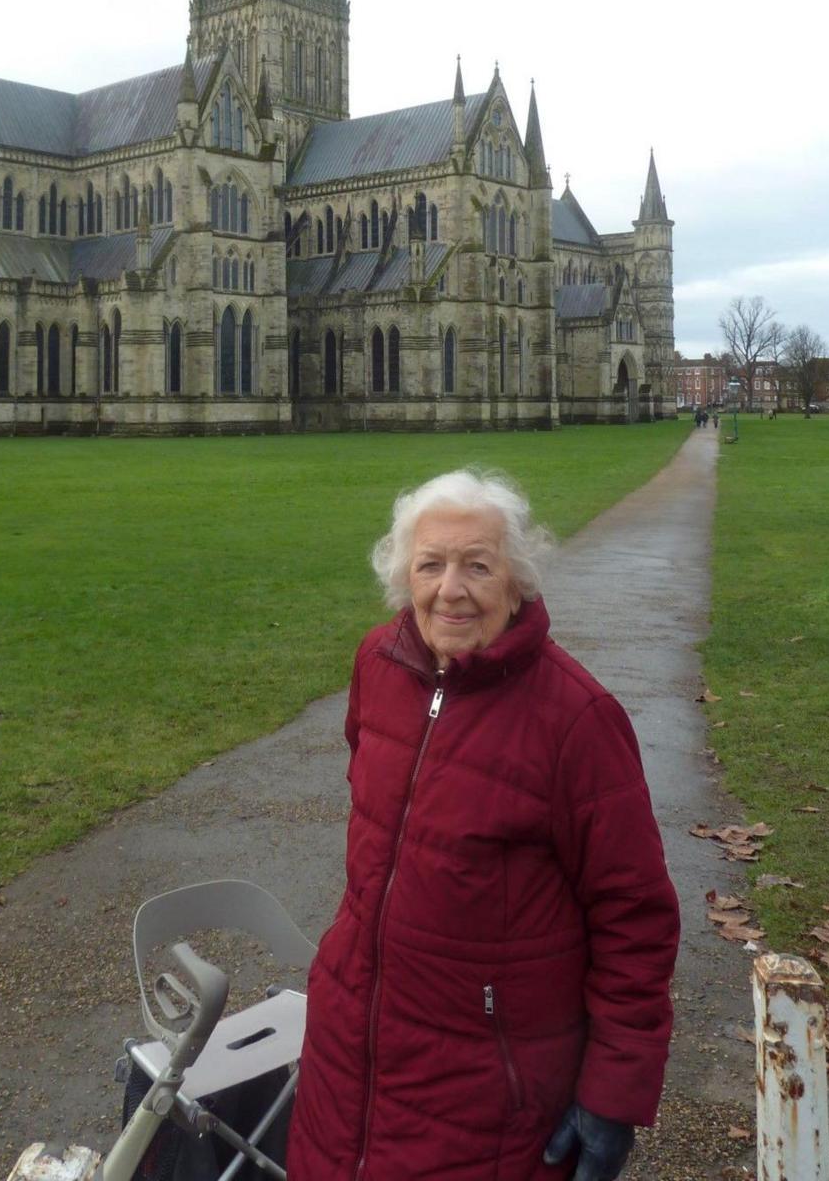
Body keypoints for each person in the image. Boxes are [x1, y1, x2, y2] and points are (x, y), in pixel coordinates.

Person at [292, 469, 681, 1180]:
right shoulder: (377, 665)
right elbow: (379, 828)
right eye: (431, 565)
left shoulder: (577, 718)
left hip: (486, 1087)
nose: (452, 589)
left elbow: (636, 914)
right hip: (350, 1046)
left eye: (479, 565)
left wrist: (613, 1092)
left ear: (517, 579)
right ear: (404, 576)